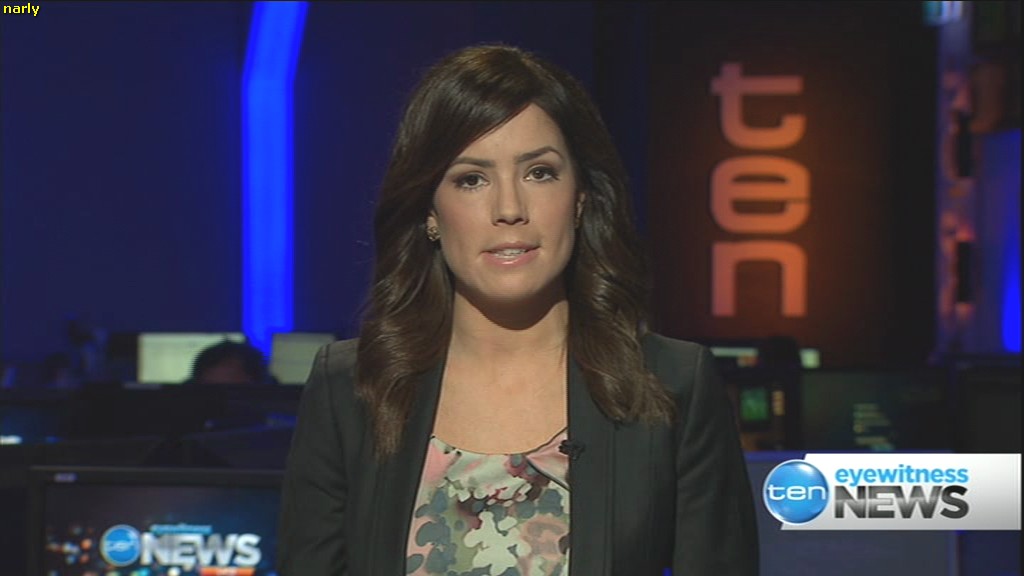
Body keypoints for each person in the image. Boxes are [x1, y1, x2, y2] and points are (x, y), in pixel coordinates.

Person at [278, 44, 758, 575]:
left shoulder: (672, 384)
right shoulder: (352, 387)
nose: (509, 209)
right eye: (471, 179)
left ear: (580, 198)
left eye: (539, 173)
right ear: (429, 211)